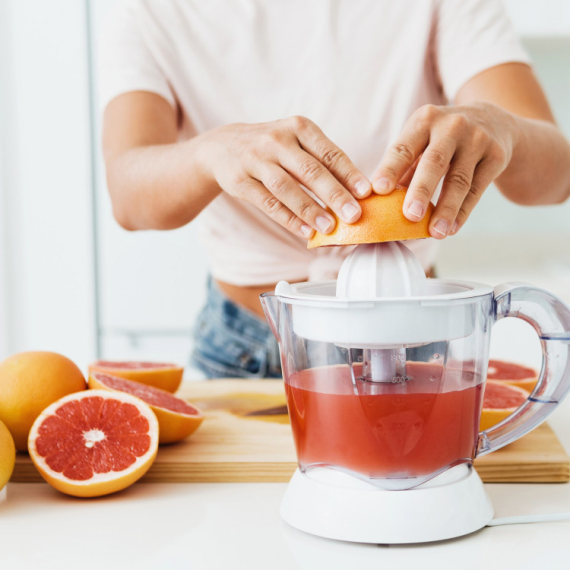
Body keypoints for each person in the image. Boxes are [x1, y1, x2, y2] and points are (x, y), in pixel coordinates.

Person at [99, 0, 570, 379]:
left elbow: (556, 178)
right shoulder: (147, 10)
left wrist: (504, 129)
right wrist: (209, 153)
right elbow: (128, 195)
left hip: (415, 336)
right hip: (247, 348)